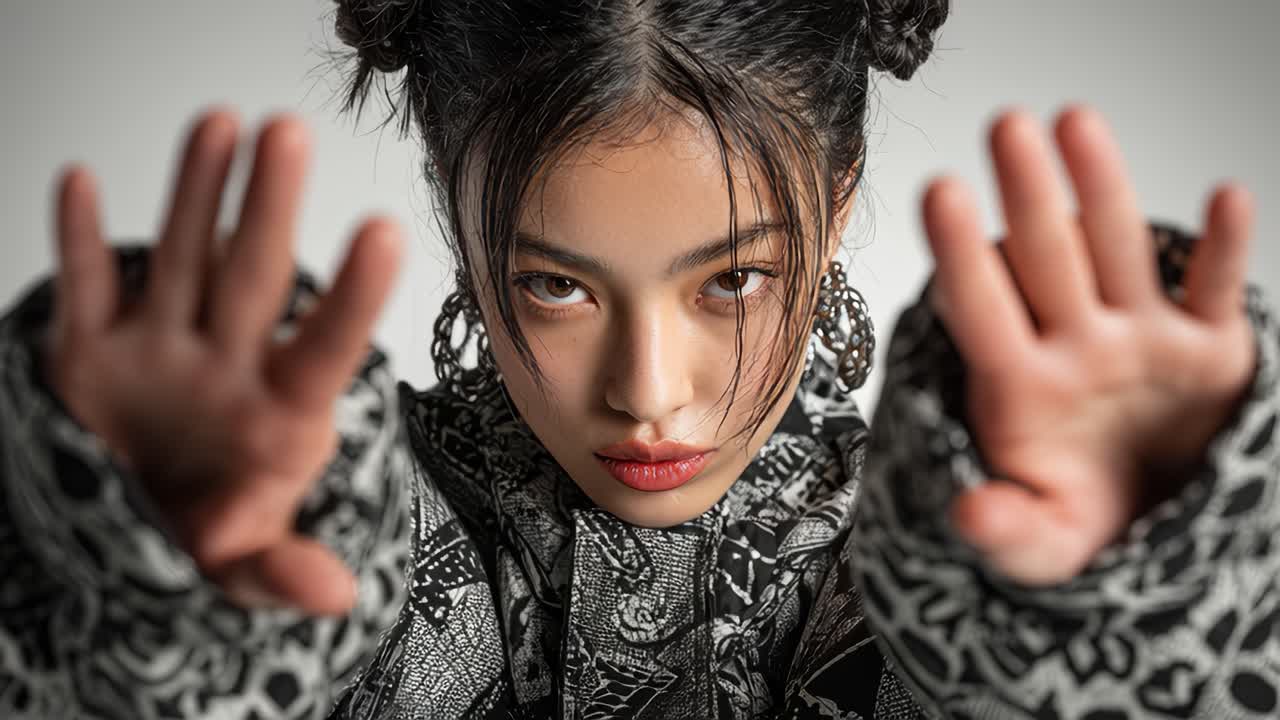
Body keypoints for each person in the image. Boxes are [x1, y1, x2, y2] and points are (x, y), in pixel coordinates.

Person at [2, 0, 1277, 717]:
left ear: (837, 209)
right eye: (553, 285)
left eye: (732, 279)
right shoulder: (343, 537)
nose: (650, 393)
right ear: (458, 212)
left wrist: (1128, 592)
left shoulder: (964, 564)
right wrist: (161, 588)